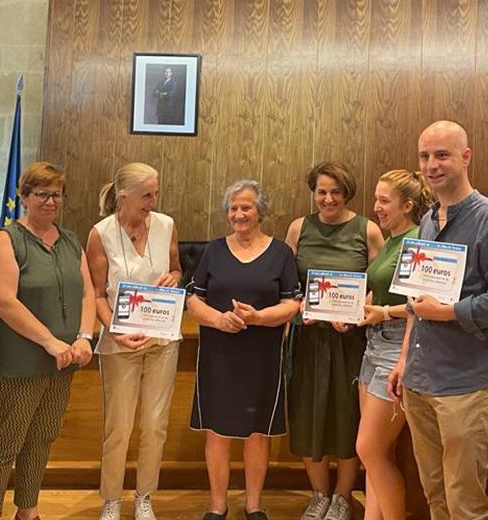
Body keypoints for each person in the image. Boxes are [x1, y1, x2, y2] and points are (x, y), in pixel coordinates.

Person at [387, 121, 488, 520]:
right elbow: (418, 302)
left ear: (466, 157)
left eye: (442, 155)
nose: (432, 165)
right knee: (436, 496)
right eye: (425, 156)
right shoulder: (430, 220)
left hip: (465, 383)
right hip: (420, 380)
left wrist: (452, 311)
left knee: (465, 503)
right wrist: (403, 360)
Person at [0, 162, 96, 520]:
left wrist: (85, 337)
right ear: (24, 197)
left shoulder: (71, 241)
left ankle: (28, 512)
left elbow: (88, 292)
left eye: (56, 194)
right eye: (41, 194)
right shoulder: (7, 239)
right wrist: (50, 342)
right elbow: (5, 301)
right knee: (4, 445)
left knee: (41, 439)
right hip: (21, 359)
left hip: (64, 361)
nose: (50, 201)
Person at [186, 180, 302, 520]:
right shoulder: (213, 250)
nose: (239, 214)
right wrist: (219, 320)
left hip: (262, 356)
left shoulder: (281, 253)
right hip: (218, 355)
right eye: (233, 208)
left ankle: (254, 505)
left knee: (256, 433)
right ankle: (217, 506)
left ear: (260, 211)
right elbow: (194, 299)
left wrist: (260, 317)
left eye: (246, 207)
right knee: (218, 431)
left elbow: (292, 303)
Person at [285, 161, 383, 520]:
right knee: (307, 413)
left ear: (347, 194)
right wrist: (298, 306)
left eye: (335, 192)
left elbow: (378, 285)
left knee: (347, 416)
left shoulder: (368, 230)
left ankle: (343, 496)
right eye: (321, 191)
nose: (327, 199)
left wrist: (357, 313)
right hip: (307, 337)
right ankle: (318, 495)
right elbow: (287, 282)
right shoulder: (299, 228)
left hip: (349, 342)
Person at [85, 162, 182, 520]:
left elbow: (176, 269)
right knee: (119, 426)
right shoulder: (101, 233)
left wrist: (173, 277)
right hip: (119, 344)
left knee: (155, 425)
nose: (153, 201)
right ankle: (111, 499)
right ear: (122, 196)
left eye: (156, 193)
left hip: (162, 340)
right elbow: (96, 295)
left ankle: (144, 497)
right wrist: (116, 332)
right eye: (146, 195)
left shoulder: (167, 224)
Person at [355, 170, 434, 520]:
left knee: (369, 449)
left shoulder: (417, 241)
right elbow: (380, 294)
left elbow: (424, 304)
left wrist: (383, 312)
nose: (377, 207)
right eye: (376, 199)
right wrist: (356, 313)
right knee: (374, 456)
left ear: (408, 205)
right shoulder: (390, 241)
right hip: (373, 346)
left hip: (397, 349)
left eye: (384, 201)